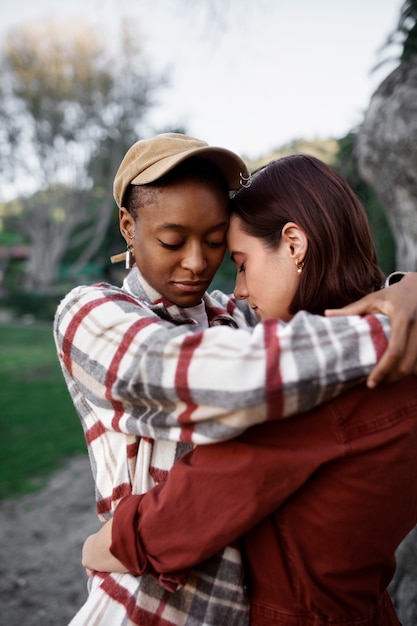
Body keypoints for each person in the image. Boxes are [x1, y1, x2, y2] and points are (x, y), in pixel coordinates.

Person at [53, 134, 417, 626]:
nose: (199, 263)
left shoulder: (240, 320)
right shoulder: (91, 312)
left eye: (219, 246)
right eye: (171, 241)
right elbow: (204, 374)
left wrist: (403, 294)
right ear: (128, 227)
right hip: (147, 609)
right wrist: (391, 319)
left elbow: (221, 484)